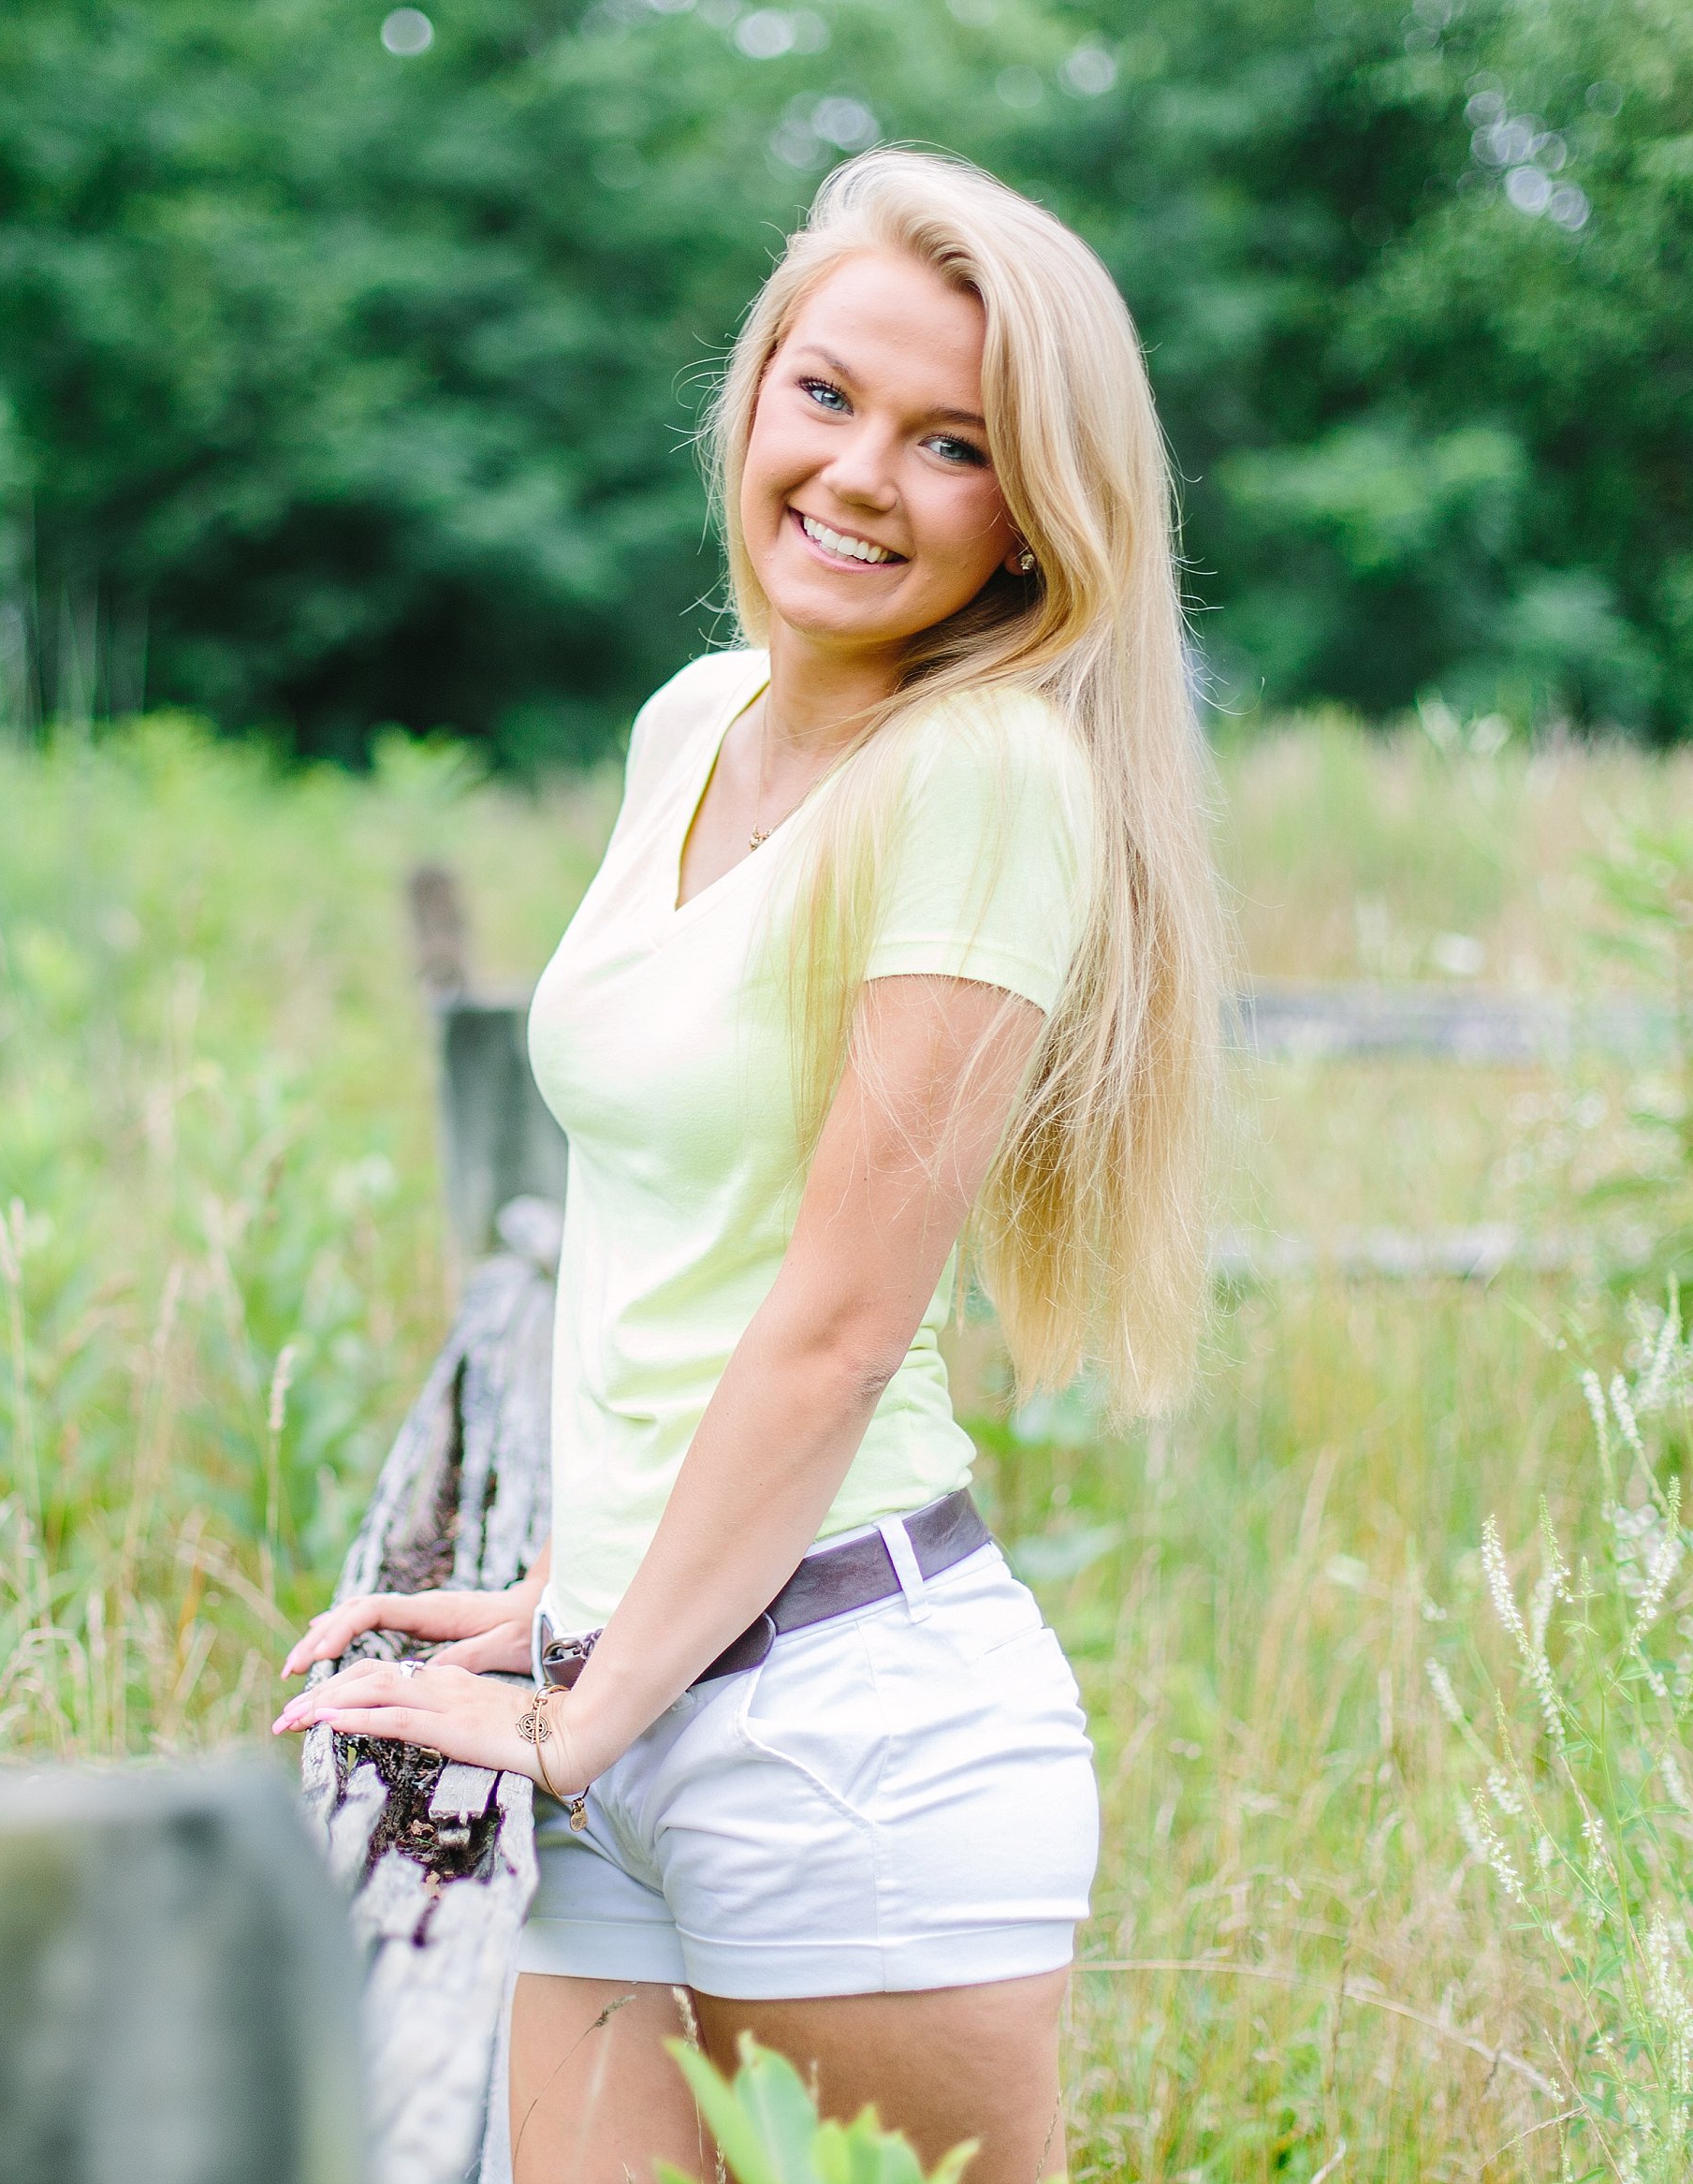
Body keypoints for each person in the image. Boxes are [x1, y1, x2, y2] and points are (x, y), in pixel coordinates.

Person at [272, 147, 1224, 2183]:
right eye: (828, 396)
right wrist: (561, 1599)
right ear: (754, 395)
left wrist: (577, 1713)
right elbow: (670, 1241)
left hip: (841, 1729)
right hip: (635, 1669)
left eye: (953, 444)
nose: (864, 475)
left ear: (1031, 519)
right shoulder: (691, 722)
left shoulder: (978, 781)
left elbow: (838, 1313)